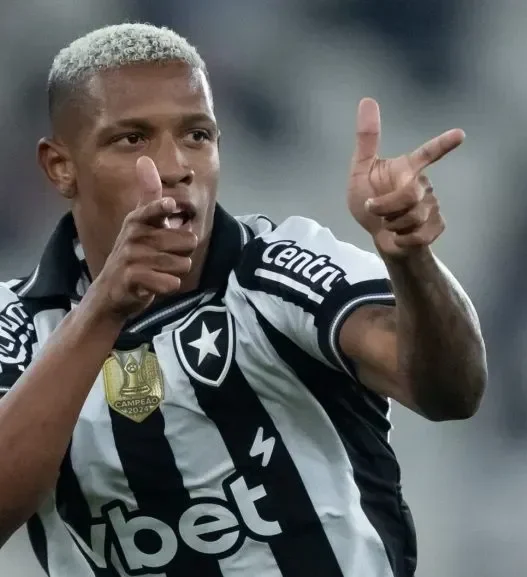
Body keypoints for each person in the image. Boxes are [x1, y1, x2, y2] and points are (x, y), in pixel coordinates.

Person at [0, 23, 486, 577]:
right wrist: (105, 309)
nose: (175, 166)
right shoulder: (15, 328)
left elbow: (452, 391)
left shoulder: (280, 270)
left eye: (197, 135)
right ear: (60, 167)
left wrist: (412, 261)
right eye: (132, 139)